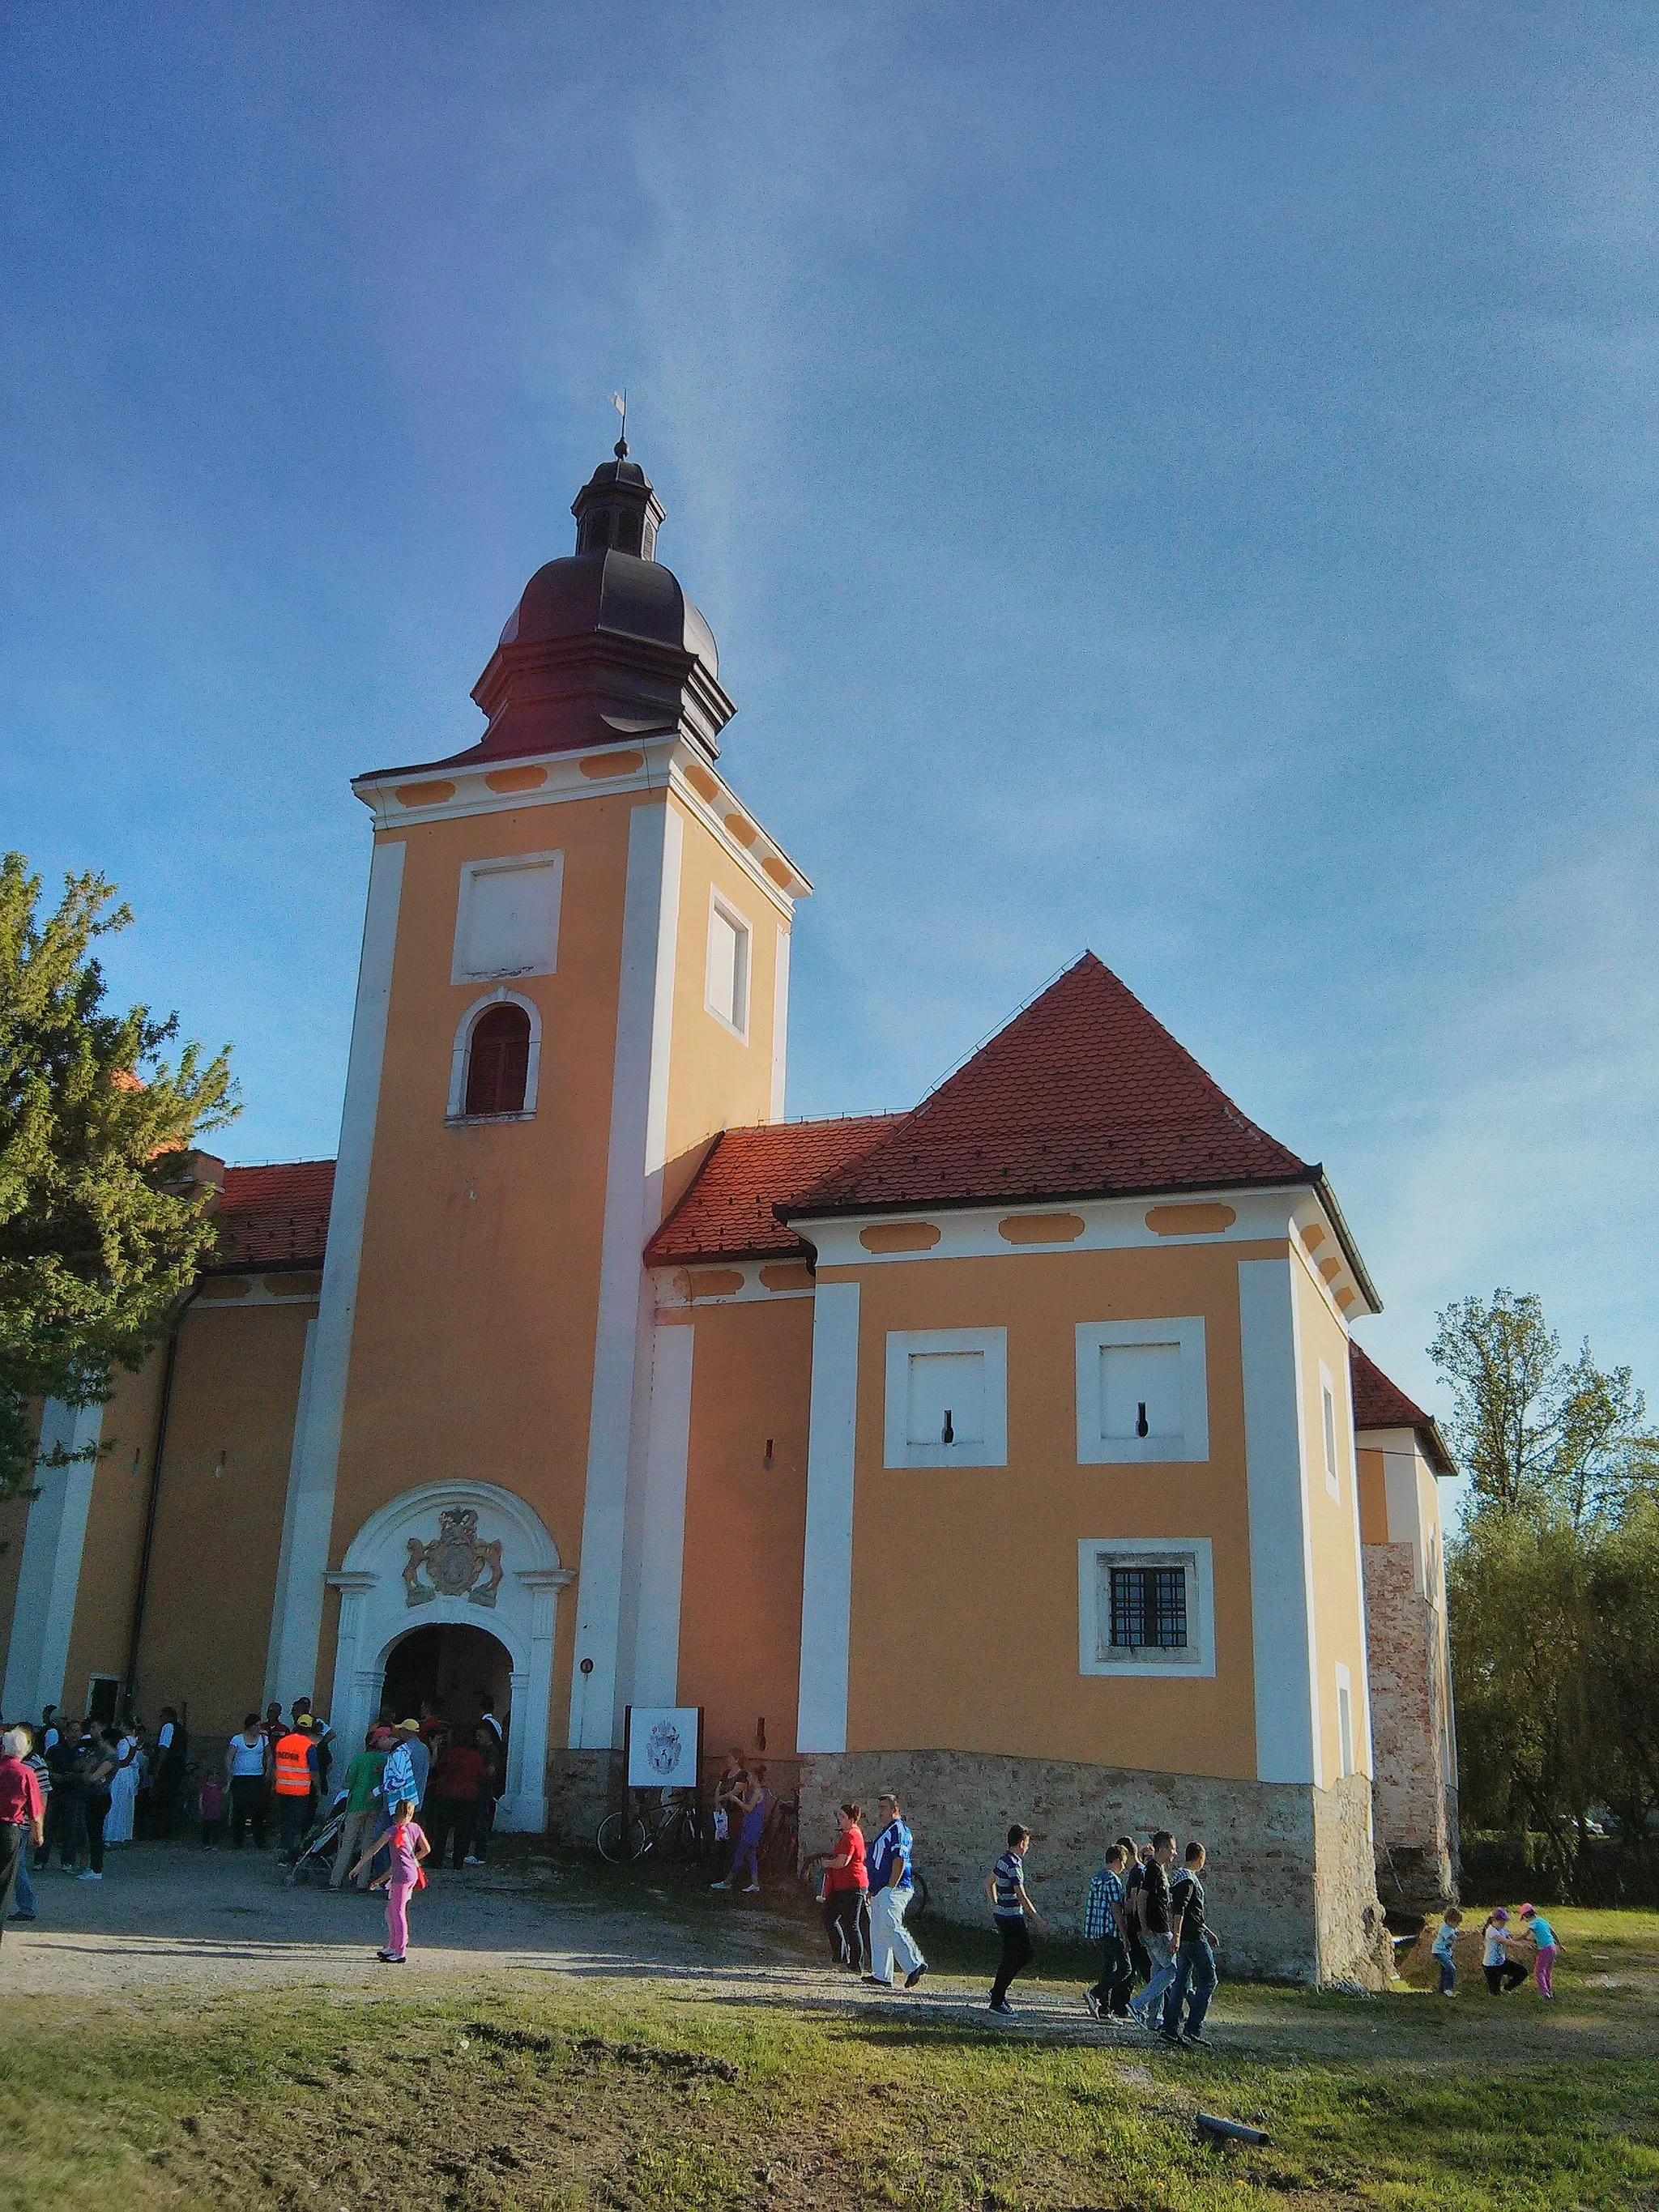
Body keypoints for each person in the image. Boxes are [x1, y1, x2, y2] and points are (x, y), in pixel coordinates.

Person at [353, 1796, 429, 1964]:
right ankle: (393, 1947)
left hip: (400, 1875)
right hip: (410, 1873)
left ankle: (400, 1950)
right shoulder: (415, 1828)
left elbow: (374, 1849)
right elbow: (426, 1849)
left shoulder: (392, 1831)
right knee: (393, 1910)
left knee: (397, 1912)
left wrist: (359, 1866)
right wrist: (413, 1859)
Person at [864, 1790, 927, 1991]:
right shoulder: (886, 1830)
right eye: (879, 1808)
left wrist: (891, 1886)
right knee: (878, 1930)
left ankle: (914, 1964)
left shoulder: (898, 1830)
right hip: (880, 1889)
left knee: (890, 1925)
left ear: (894, 1809)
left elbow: (899, 1859)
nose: (880, 1812)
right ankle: (881, 1975)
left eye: (884, 1808)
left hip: (895, 1888)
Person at [1160, 1841, 1218, 2047]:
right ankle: (1193, 2026)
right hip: (1193, 1939)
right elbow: (1180, 1909)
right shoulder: (1188, 1880)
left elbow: (1193, 1913)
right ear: (1200, 1858)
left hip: (1189, 1936)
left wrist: (1208, 1931)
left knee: (1181, 1983)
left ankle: (1170, 2029)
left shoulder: (1180, 1878)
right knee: (1210, 1980)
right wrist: (1176, 1934)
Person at [987, 1825, 1046, 2015]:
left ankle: (998, 1991)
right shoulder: (1014, 1864)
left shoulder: (1003, 1860)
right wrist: (1036, 1918)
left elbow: (989, 1882)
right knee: (1021, 1955)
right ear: (1021, 1843)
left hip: (1003, 1915)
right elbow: (1021, 1896)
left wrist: (996, 1903)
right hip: (1012, 1917)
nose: (1027, 1848)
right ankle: (997, 1998)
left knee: (1013, 1956)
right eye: (1027, 1844)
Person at [1129, 1831, 1179, 2028]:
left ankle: (1153, 2019)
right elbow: (1141, 1899)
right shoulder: (1153, 1870)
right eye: (1173, 1849)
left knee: (1158, 1971)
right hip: (1156, 1931)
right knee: (1173, 1969)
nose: (1174, 1853)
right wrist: (1144, 1927)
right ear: (1164, 1848)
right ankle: (1137, 2004)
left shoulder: (1160, 1871)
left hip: (1158, 1928)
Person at [331, 1728, 391, 1890]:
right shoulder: (385, 1760)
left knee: (348, 1843)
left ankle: (336, 1880)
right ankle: (362, 1882)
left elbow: (348, 1784)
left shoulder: (359, 1759)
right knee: (368, 1844)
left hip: (357, 1804)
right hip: (376, 1805)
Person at [0, 1727, 45, 1938]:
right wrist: (38, 1835)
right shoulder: (26, 1773)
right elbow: (36, 1810)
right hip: (9, 1829)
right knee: (5, 1881)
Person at [1084, 1841, 1135, 2020]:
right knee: (1125, 1968)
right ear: (1117, 1860)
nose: (1124, 1867)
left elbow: (1091, 1906)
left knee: (1108, 1967)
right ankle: (1095, 1993)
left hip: (1098, 1930)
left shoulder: (1097, 1879)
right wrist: (1124, 1935)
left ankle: (1104, 2009)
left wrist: (1091, 1932)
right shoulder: (1113, 1880)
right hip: (1111, 1930)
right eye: (1123, 1862)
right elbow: (1115, 1909)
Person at [424, 1728, 488, 1869]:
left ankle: (437, 1860)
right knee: (463, 1831)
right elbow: (482, 1774)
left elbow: (439, 1770)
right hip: (468, 1796)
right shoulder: (475, 1756)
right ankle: (458, 1862)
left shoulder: (449, 1754)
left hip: (447, 1794)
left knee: (442, 1830)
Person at [821, 1802, 869, 1971]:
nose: (839, 1820)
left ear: (850, 1819)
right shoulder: (852, 1834)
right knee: (830, 1917)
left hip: (852, 1886)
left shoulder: (850, 1836)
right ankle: (840, 1956)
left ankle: (856, 1963)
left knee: (851, 1924)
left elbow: (842, 1862)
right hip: (844, 1886)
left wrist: (827, 1863)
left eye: (842, 1816)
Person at [713, 1761, 769, 1894]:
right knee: (751, 1855)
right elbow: (746, 1808)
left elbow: (749, 1809)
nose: (748, 1779)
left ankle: (728, 1881)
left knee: (740, 1854)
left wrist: (736, 1800)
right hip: (750, 1825)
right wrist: (742, 1796)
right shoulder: (755, 1792)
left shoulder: (758, 1793)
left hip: (752, 1828)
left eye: (749, 1777)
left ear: (754, 1778)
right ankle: (755, 1883)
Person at [9, 1729, 48, 1922]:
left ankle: (27, 1906)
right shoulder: (20, 1767)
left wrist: (37, 1828)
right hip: (18, 1823)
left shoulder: (36, 1765)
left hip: (21, 1824)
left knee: (18, 1865)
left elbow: (41, 1798)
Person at [272, 1717, 321, 1860]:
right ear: (310, 1730)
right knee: (295, 1822)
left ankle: (283, 1847)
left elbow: (275, 1765)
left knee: (286, 1820)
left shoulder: (283, 1742)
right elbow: (314, 1771)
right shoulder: (308, 1746)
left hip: (281, 1788)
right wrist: (317, 1789)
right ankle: (287, 1852)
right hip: (299, 1791)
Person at [40, 1720, 85, 1871]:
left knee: (71, 1828)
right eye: (72, 1731)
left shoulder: (84, 1751)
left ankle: (68, 1861)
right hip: (56, 1791)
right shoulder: (55, 1749)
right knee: (48, 1827)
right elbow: (46, 1766)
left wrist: (71, 1776)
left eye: (78, 1731)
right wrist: (54, 1775)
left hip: (74, 1792)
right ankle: (40, 1859)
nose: (75, 1734)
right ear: (65, 1733)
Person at [77, 1727, 117, 1882]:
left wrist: (87, 1771)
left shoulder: (111, 1758)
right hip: (95, 1797)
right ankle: (92, 1867)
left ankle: (96, 1868)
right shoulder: (105, 1756)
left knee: (95, 1834)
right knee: (92, 1833)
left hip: (99, 1798)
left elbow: (93, 1778)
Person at [225, 1713, 270, 1848]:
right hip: (240, 1777)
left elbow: (269, 1755)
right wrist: (230, 1773)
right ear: (250, 1726)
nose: (259, 1727)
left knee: (258, 1808)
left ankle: (260, 1840)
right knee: (240, 1808)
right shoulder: (237, 1739)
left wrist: (268, 1771)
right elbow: (229, 1756)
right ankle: (238, 1840)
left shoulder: (263, 1739)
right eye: (256, 1725)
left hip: (257, 1777)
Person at [712, 1746, 749, 1881]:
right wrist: (717, 1803)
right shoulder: (726, 1773)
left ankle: (730, 1874)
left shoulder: (742, 1775)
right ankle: (718, 1873)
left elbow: (736, 1791)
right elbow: (719, 1788)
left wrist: (721, 1798)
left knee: (732, 1842)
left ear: (736, 1759)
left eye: (730, 1757)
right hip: (722, 1813)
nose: (727, 1760)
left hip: (734, 1813)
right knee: (719, 1841)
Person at [1122, 1839, 1153, 1992]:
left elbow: (1134, 1901)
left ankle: (1167, 2006)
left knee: (1145, 1968)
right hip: (1134, 1926)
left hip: (1136, 1928)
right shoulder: (1136, 1871)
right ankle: (1120, 2005)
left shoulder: (1138, 1872)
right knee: (1131, 1967)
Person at [152, 1707, 187, 1838]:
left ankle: (159, 1830)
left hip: (168, 1769)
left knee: (162, 1799)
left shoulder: (168, 1727)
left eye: (161, 1716)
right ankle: (166, 1829)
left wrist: (157, 1769)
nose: (160, 1719)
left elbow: (164, 1749)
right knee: (170, 1800)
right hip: (176, 1769)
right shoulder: (182, 1730)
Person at [103, 1725, 141, 1845]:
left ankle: (112, 1835)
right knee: (123, 1804)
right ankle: (121, 1834)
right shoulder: (131, 1741)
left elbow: (121, 1760)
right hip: (127, 1774)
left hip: (120, 1774)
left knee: (115, 1804)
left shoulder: (123, 1743)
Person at [467, 1726, 499, 1867]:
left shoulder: (491, 1751)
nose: (477, 1739)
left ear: (488, 1736)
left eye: (480, 1736)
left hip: (484, 1790)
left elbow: (491, 1771)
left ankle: (480, 1854)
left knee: (482, 1823)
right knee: (475, 1821)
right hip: (477, 1790)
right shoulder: (480, 1750)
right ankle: (471, 1852)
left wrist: (477, 1771)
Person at [1482, 1907, 1529, 1993]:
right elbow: (1504, 1941)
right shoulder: (1491, 1931)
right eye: (1502, 1922)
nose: (1504, 1924)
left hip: (1501, 1962)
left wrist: (1523, 1939)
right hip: (1491, 1966)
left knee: (1522, 1972)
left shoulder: (1502, 1929)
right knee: (1495, 1993)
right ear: (1495, 1920)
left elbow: (1511, 1939)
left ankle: (1507, 1988)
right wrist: (1519, 1945)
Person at [1517, 1904, 1559, 1997]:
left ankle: (1544, 1993)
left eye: (1524, 1918)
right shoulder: (1543, 1921)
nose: (1525, 1920)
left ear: (1526, 1915)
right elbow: (1553, 1933)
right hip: (1552, 1947)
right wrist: (1559, 1944)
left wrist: (1513, 1940)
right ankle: (1549, 1991)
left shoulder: (1533, 1923)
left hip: (1544, 1949)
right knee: (1548, 1971)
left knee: (1539, 1971)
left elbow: (1525, 1935)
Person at [1431, 1907, 1463, 1995]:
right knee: (1451, 1968)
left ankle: (1441, 1989)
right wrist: (1468, 1936)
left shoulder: (1452, 1928)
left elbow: (1457, 1933)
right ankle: (1449, 1989)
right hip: (1439, 1952)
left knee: (1444, 1970)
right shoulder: (1445, 1928)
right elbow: (1455, 1938)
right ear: (1449, 1920)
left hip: (1447, 1952)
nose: (1457, 1925)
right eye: (1456, 1922)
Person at [198, 1769, 224, 1846]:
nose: (213, 1777)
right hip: (207, 1809)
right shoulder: (204, 1787)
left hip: (215, 1809)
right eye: (212, 1775)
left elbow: (224, 1791)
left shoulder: (218, 1787)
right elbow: (200, 1797)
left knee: (215, 1827)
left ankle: (215, 1842)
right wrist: (200, 1808)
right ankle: (206, 1842)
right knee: (206, 1827)